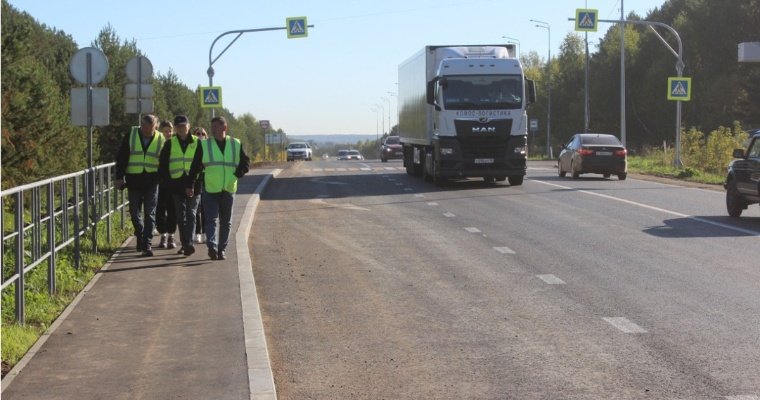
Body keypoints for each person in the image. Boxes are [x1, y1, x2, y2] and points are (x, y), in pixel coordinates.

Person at [194, 116, 249, 261]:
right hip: (210, 188)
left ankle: (222, 249)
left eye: (216, 127)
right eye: (211, 127)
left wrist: (236, 175)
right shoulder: (205, 145)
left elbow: (245, 163)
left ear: (224, 128)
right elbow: (195, 165)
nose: (212, 130)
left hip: (228, 188)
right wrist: (193, 183)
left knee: (226, 222)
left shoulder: (235, 144)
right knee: (211, 220)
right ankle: (212, 246)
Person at [115, 114, 165, 257]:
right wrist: (119, 177)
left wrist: (163, 178)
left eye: (150, 129)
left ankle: (147, 244)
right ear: (141, 125)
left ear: (155, 126)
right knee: (134, 212)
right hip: (134, 179)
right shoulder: (131, 135)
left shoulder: (161, 138)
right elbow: (122, 156)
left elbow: (164, 160)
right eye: (144, 128)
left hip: (152, 180)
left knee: (150, 213)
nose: (146, 131)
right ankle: (141, 234)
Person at [159, 115, 202, 256]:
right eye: (178, 127)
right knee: (180, 216)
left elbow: (201, 164)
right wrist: (168, 183)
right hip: (176, 184)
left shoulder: (198, 142)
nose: (181, 129)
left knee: (191, 214)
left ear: (189, 126)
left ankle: (187, 243)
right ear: (175, 129)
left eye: (183, 126)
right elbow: (163, 165)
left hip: (194, 184)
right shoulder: (170, 143)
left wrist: (195, 182)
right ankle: (186, 244)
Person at [156, 120, 178, 249]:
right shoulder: (158, 143)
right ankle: (163, 235)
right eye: (166, 131)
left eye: (170, 131)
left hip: (173, 181)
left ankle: (171, 236)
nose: (168, 133)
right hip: (159, 181)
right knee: (159, 210)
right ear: (161, 131)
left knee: (172, 210)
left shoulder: (175, 143)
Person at [192, 127, 208, 244]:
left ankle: (206, 233)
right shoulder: (191, 148)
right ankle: (198, 233)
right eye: (198, 133)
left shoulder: (209, 148)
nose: (200, 135)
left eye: (203, 134)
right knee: (197, 209)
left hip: (208, 181)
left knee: (206, 208)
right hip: (196, 181)